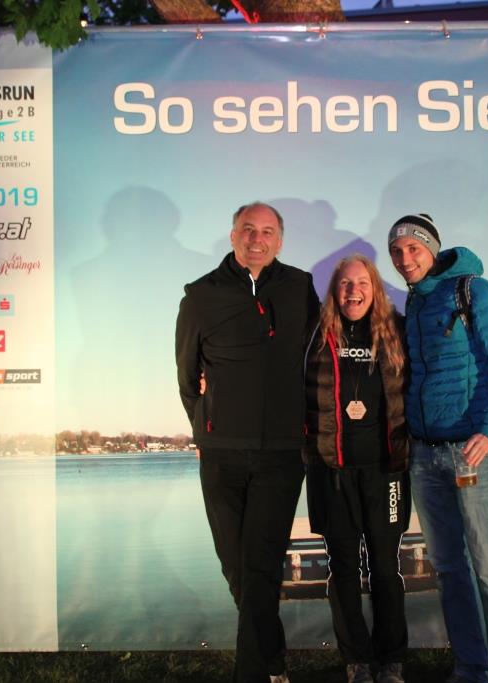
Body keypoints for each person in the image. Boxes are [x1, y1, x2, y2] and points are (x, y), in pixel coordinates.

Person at [176, 202, 319, 683]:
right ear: (233, 235)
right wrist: (204, 425)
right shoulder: (200, 296)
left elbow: (318, 357)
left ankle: (253, 674)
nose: (257, 239)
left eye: (267, 231)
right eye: (248, 229)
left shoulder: (300, 287)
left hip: (282, 452)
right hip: (221, 455)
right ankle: (273, 663)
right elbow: (186, 375)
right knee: (237, 568)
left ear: (281, 240)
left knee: (260, 565)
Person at [387, 214, 488, 683]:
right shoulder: (415, 303)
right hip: (424, 457)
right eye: (396, 251)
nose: (405, 258)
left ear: (432, 249)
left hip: (469, 453)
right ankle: (472, 668)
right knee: (450, 569)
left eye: (413, 248)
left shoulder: (473, 291)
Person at [303, 255, 410, 683]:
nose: (354, 291)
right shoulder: (314, 333)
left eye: (362, 282)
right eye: (345, 283)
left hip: (386, 470)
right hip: (331, 469)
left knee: (385, 566)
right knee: (343, 567)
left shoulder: (397, 330)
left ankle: (392, 659)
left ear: (375, 288)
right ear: (334, 290)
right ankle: (357, 661)